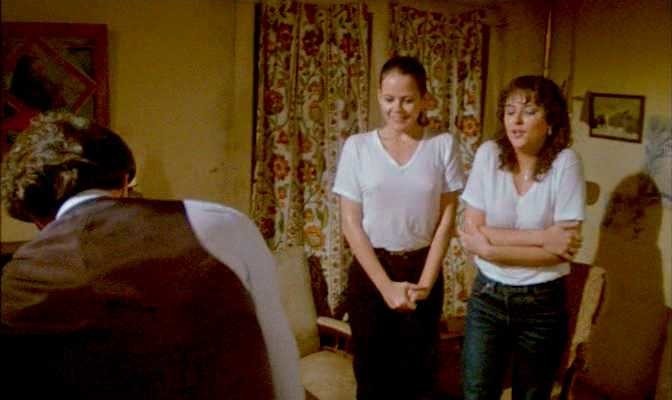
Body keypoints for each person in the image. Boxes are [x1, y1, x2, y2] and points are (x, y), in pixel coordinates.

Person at [0, 112, 304, 400]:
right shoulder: (222, 224)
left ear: (37, 217)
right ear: (124, 180)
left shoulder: (16, 279)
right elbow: (279, 355)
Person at [333, 56, 464, 400]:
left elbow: (446, 219)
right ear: (379, 96)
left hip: (422, 271)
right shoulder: (358, 147)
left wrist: (426, 283)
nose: (397, 109)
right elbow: (350, 222)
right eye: (389, 99)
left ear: (424, 99)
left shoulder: (442, 145)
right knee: (372, 380)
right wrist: (386, 287)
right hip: (371, 273)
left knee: (419, 380)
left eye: (407, 100)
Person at [458, 75, 585, 399]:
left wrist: (491, 247)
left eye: (528, 112)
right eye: (510, 110)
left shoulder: (566, 163)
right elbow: (472, 230)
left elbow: (561, 250)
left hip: (542, 302)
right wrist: (543, 236)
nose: (515, 121)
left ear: (550, 120)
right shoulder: (489, 154)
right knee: (476, 393)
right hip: (488, 295)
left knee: (531, 395)